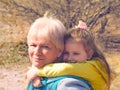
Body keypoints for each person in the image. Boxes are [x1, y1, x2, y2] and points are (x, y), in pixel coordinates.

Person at [26, 20, 113, 90]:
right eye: (33, 45)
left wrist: (38, 71)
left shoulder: (69, 83)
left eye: (46, 47)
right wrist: (35, 69)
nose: (70, 58)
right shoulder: (47, 74)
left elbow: (67, 68)